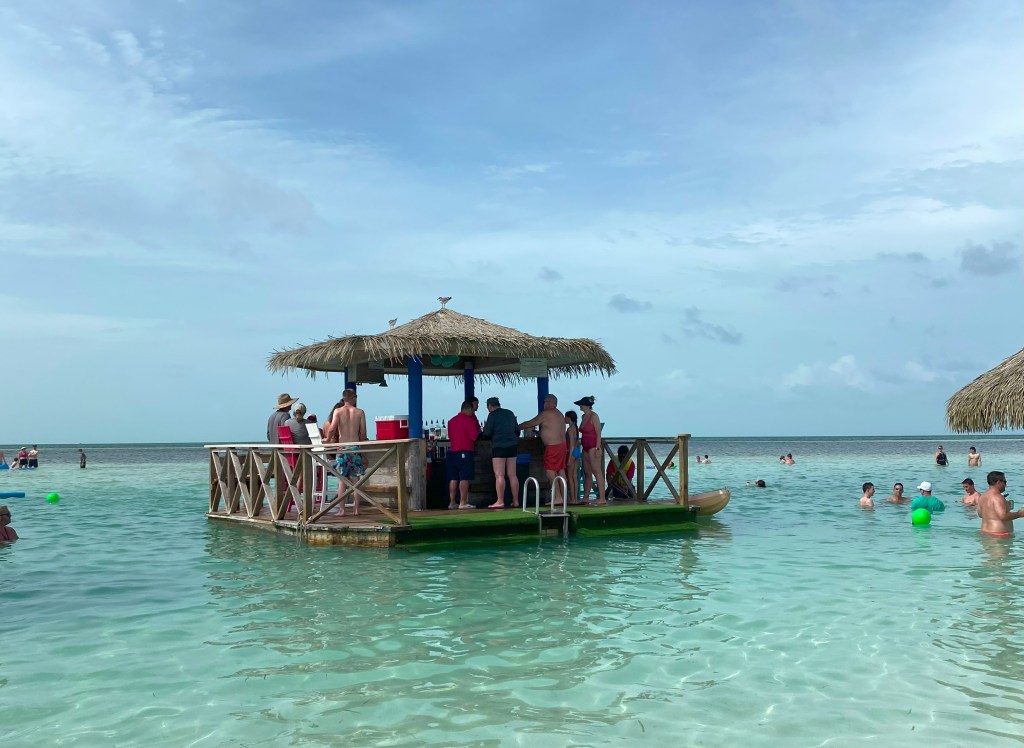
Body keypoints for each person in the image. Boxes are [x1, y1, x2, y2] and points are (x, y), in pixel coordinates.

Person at [518, 394, 567, 506]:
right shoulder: (559, 414)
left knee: (550, 471)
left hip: (553, 447)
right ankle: (564, 496)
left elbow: (531, 423)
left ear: (551, 402)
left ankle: (558, 497)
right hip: (562, 445)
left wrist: (516, 427)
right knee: (561, 470)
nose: (543, 404)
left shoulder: (546, 414)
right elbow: (552, 429)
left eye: (545, 402)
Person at [325, 389, 368, 515]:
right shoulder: (360, 412)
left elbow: (332, 428)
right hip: (354, 448)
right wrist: (363, 444)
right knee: (356, 479)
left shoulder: (338, 411)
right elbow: (363, 433)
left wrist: (327, 439)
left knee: (342, 480)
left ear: (343, 398)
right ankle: (356, 509)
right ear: (353, 398)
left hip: (342, 448)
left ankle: (342, 510)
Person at [480, 397, 520, 509]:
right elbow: (517, 431)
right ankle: (515, 501)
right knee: (512, 475)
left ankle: (500, 501)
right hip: (512, 446)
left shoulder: (492, 415)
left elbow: (487, 433)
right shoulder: (510, 413)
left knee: (499, 475)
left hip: (499, 447)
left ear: (489, 406)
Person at [446, 400, 480, 509]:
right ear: (469, 409)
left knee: (453, 478)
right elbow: (474, 437)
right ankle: (463, 502)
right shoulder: (469, 421)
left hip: (453, 452)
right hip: (464, 452)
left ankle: (452, 502)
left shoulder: (451, 421)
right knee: (464, 477)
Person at [575, 395, 606, 504]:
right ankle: (586, 497)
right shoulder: (584, 417)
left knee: (597, 472)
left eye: (581, 405)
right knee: (587, 472)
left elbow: (598, 433)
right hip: (585, 447)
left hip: (593, 447)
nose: (580, 406)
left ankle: (602, 497)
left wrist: (598, 448)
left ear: (586, 406)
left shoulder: (594, 416)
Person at [977, 471, 1023, 537]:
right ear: (999, 482)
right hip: (999, 535)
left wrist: (1006, 506)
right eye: (1005, 482)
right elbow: (1003, 516)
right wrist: (1019, 514)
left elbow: (980, 514)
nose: (1006, 485)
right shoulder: (998, 497)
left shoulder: (982, 496)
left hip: (985, 532)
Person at [565, 410, 581, 505]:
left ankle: (573, 498)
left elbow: (571, 444)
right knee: (575, 476)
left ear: (569, 418)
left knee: (570, 477)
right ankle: (576, 498)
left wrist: (569, 458)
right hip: (577, 451)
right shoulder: (576, 428)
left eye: (565, 417)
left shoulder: (570, 429)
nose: (564, 419)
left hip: (572, 451)